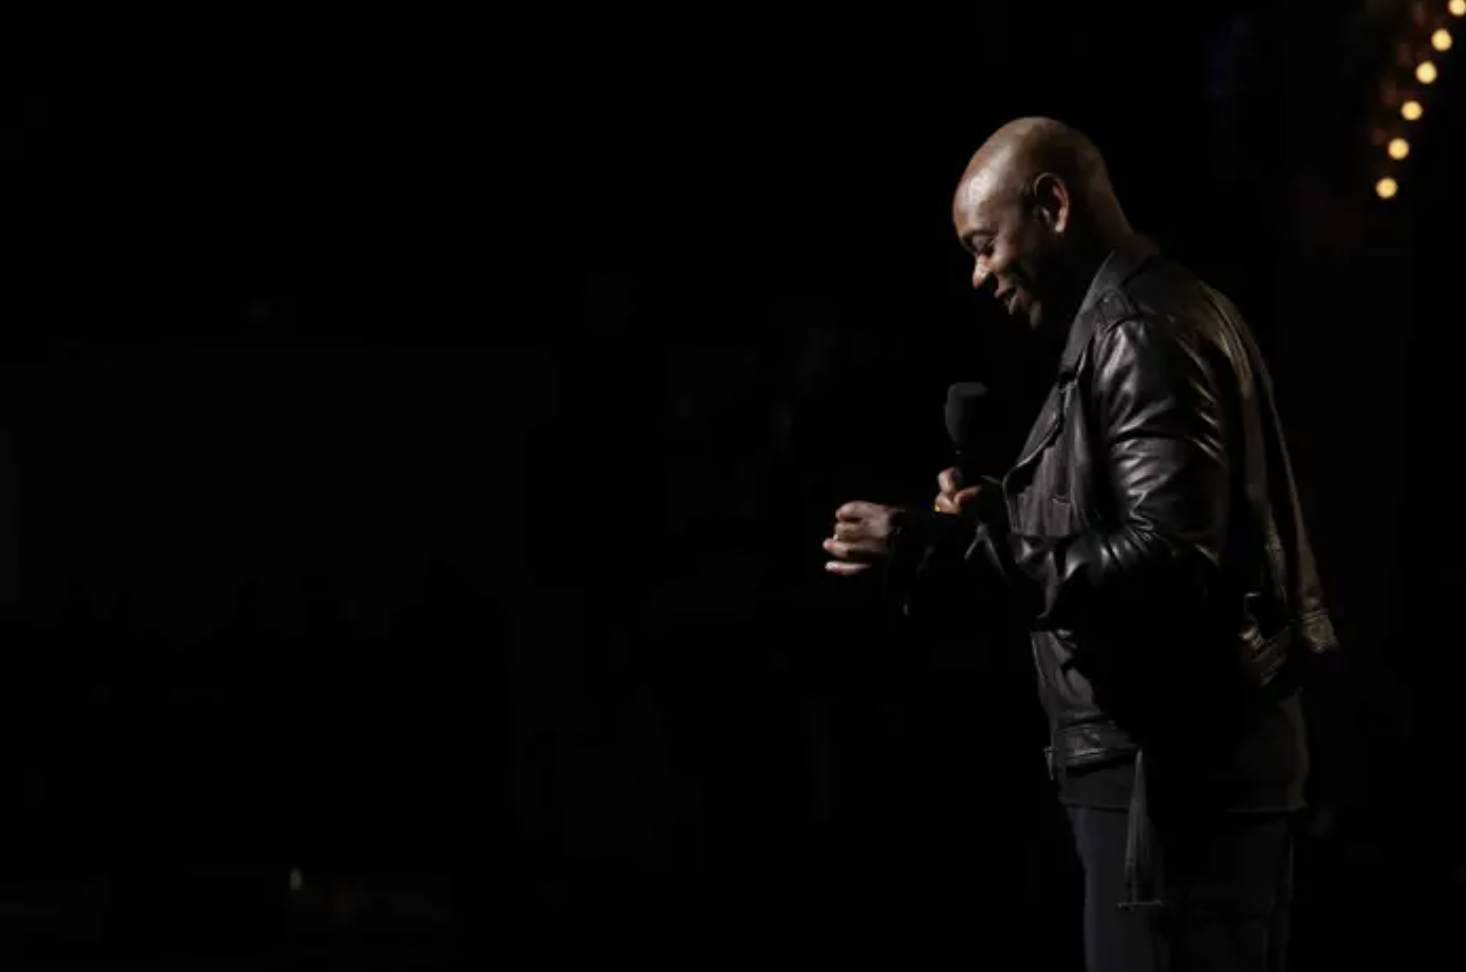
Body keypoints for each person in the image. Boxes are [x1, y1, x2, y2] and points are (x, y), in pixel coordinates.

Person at [821, 117, 1336, 972]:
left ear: (1052, 204)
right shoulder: (1163, 311)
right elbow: (1153, 531)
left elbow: (1169, 562)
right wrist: (1001, 519)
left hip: (1171, 786)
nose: (979, 275)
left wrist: (935, 549)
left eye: (985, 244)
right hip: (1182, 779)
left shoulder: (1137, 332)